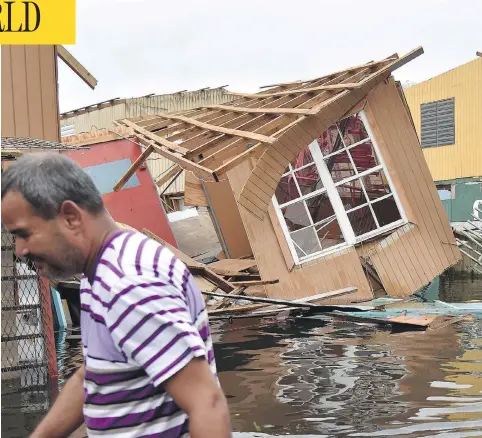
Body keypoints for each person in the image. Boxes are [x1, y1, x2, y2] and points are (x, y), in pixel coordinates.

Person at [1, 153, 231, 438]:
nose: (20, 249)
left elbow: (207, 405)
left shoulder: (127, 286)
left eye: (24, 234)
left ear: (71, 218)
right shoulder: (102, 269)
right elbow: (94, 377)